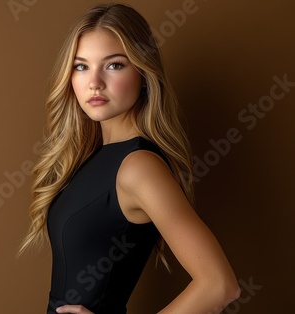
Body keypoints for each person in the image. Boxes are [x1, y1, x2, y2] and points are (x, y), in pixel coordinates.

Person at [17, 4, 240, 313]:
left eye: (114, 65)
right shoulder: (91, 157)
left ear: (144, 74)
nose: (94, 82)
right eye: (81, 66)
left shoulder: (139, 167)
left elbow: (219, 286)